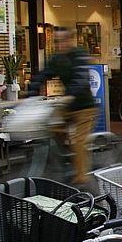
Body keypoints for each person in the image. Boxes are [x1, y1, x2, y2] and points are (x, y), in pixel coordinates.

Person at [29, 28, 96, 187]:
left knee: (78, 142)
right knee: (51, 126)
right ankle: (67, 156)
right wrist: (30, 93)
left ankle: (81, 178)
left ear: (70, 40)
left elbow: (80, 77)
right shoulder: (57, 59)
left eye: (61, 41)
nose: (59, 45)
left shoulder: (79, 55)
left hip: (84, 106)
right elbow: (44, 74)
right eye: (56, 42)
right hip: (67, 106)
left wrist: (70, 94)